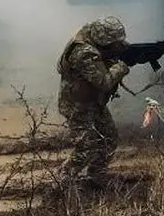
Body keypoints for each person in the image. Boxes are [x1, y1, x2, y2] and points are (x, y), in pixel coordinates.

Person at [56, 16, 131, 188]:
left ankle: (97, 175)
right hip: (77, 106)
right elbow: (104, 82)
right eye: (114, 42)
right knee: (86, 147)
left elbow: (116, 48)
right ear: (104, 40)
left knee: (109, 138)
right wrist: (122, 66)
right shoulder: (84, 53)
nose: (118, 45)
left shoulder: (91, 34)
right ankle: (61, 182)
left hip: (93, 101)